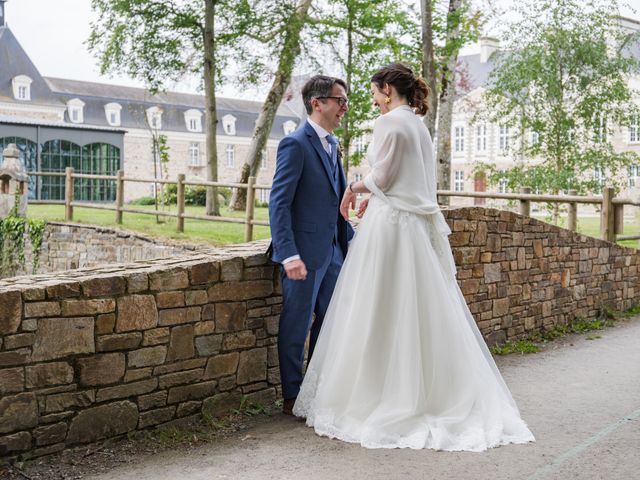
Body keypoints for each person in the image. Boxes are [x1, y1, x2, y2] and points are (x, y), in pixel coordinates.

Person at [292, 63, 535, 451]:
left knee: (379, 308)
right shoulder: (418, 125)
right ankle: (432, 393)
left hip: (392, 229)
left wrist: (353, 189)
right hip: (415, 227)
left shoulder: (389, 123)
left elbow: (384, 178)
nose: (370, 102)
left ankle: (382, 394)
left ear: (387, 90)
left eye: (373, 93)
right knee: (420, 310)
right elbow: (411, 180)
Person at [268, 75, 355, 416]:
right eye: (339, 100)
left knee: (329, 323)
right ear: (317, 103)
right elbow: (279, 203)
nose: (344, 107)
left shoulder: (333, 144)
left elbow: (336, 201)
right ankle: (292, 397)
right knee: (297, 324)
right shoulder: (295, 144)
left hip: (334, 252)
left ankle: (316, 391)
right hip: (302, 255)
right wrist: (288, 253)